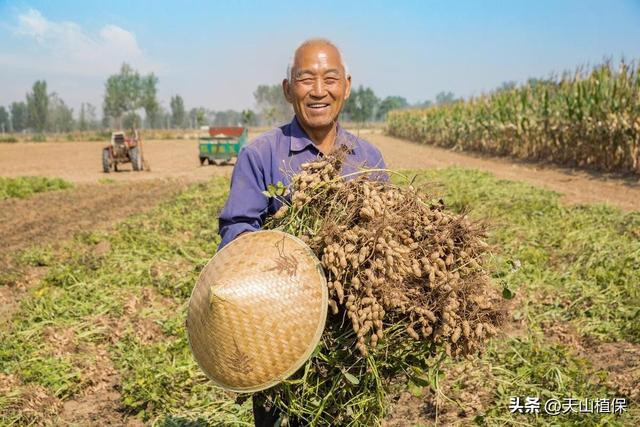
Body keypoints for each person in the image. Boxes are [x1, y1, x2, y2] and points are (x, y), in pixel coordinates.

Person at [217, 38, 387, 426]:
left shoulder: (369, 159)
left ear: (346, 85)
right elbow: (237, 231)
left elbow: (388, 234)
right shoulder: (260, 156)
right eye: (306, 79)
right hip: (279, 340)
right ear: (288, 88)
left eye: (329, 79)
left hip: (352, 342)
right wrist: (289, 255)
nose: (318, 90)